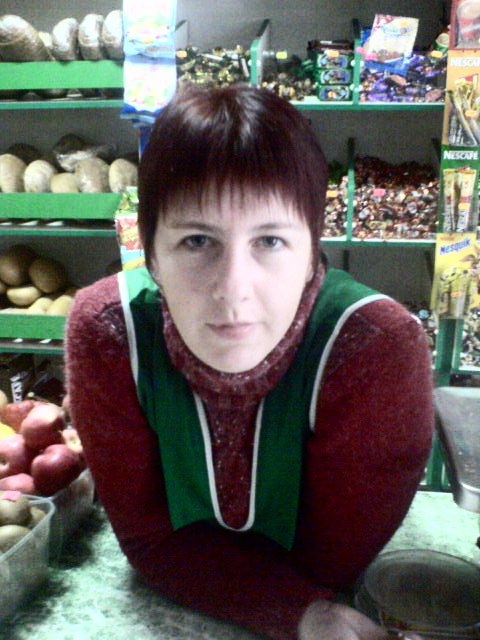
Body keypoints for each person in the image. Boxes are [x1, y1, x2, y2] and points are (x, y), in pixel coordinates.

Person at [65, 83, 433, 640]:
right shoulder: (110, 332)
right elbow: (147, 540)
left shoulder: (375, 349)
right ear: (151, 254)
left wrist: (296, 601)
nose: (233, 290)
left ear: (312, 253)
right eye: (197, 241)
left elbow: (330, 563)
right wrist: (301, 612)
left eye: (270, 241)